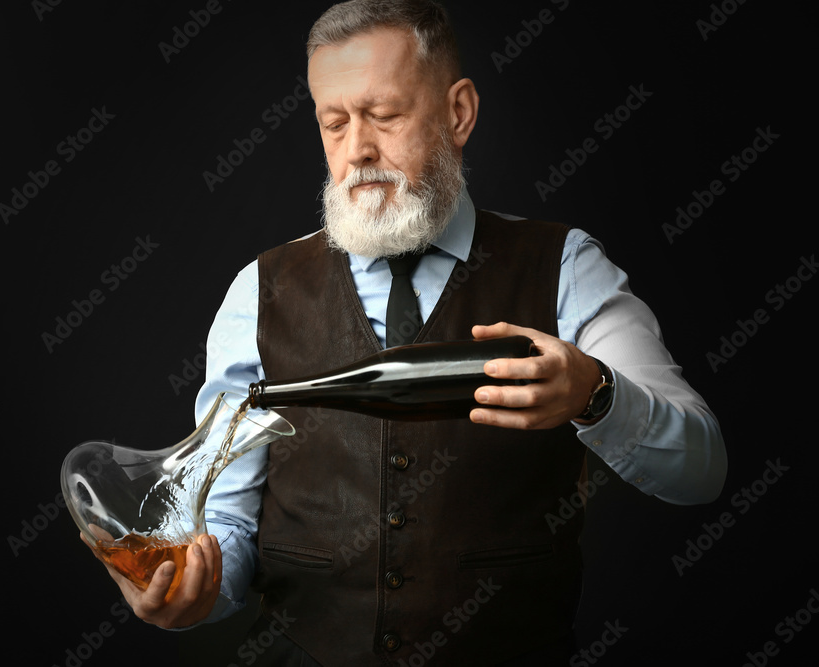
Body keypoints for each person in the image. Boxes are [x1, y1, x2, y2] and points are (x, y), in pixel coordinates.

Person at [88, 1, 726, 664]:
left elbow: (702, 468)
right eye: (333, 124)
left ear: (459, 113)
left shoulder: (564, 268)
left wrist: (596, 394)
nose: (358, 149)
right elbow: (226, 526)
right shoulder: (258, 292)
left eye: (384, 115)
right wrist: (199, 589)